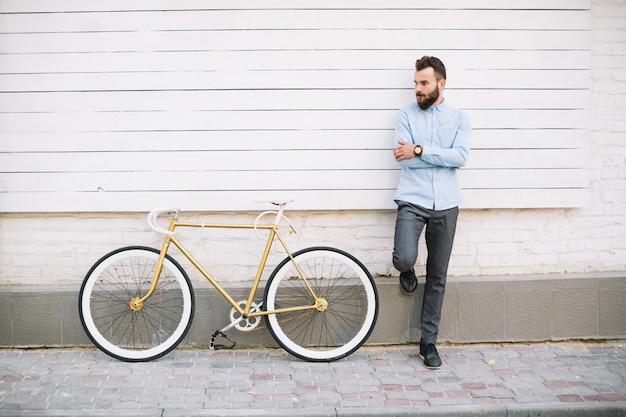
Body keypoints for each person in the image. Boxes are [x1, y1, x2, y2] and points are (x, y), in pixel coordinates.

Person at [391, 56, 471, 369]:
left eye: (423, 83)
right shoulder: (405, 115)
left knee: (437, 276)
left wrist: (421, 149)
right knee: (405, 257)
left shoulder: (459, 118)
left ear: (441, 83)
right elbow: (404, 159)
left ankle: (428, 343)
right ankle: (406, 271)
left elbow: (461, 157)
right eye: (415, 83)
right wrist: (434, 155)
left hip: (447, 203)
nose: (418, 89)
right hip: (412, 198)